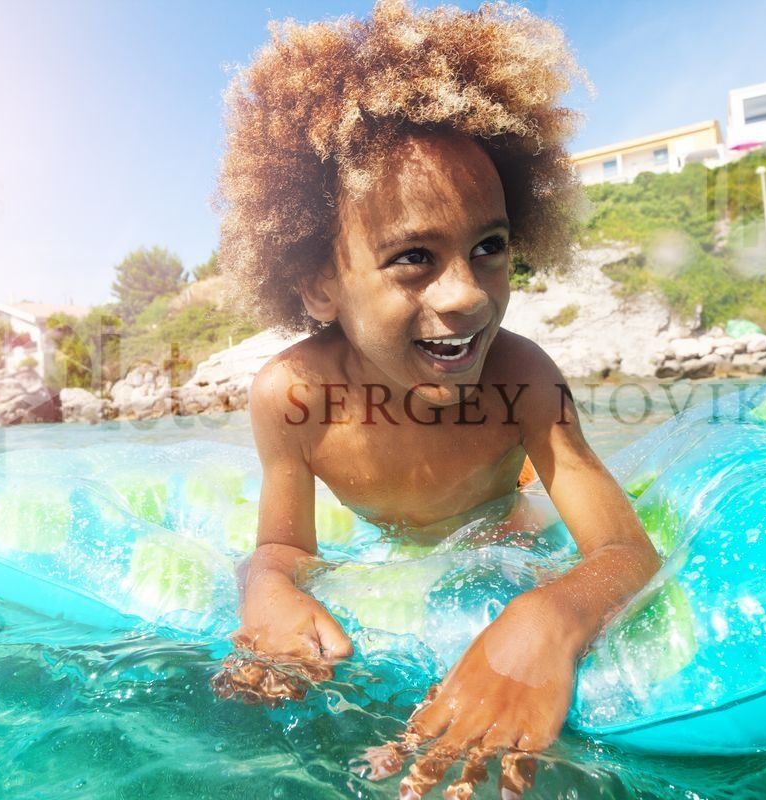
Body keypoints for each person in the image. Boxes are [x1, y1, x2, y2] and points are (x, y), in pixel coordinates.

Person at [211, 1, 659, 796]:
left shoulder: (522, 380)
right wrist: (267, 588)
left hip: (503, 528)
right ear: (320, 283)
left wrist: (548, 616)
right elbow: (283, 545)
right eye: (414, 257)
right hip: (395, 544)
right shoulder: (292, 397)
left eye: (489, 247)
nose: (468, 297)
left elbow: (624, 552)